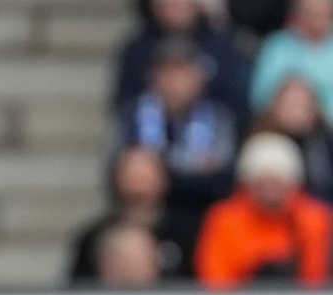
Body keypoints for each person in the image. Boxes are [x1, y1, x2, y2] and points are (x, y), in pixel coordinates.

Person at [117, 36, 238, 223]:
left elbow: (221, 175)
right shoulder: (132, 114)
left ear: (199, 78)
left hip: (200, 210)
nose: (176, 83)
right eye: (168, 73)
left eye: (183, 73)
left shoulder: (219, 118)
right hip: (144, 210)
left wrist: (165, 174)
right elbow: (120, 169)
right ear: (154, 77)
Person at [194, 129, 333, 285]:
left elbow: (318, 277)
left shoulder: (316, 219)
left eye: (279, 179)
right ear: (248, 182)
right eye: (262, 180)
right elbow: (214, 278)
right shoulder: (224, 219)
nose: (271, 188)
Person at [67, 145, 201, 282]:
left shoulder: (187, 232)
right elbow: (78, 287)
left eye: (145, 178)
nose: (138, 188)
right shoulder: (92, 237)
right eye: (131, 178)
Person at [114, 0, 252, 118]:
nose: (174, 4)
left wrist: (195, 90)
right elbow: (123, 103)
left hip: (212, 129)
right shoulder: (137, 50)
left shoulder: (224, 46)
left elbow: (238, 104)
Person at [251, 75, 333, 201]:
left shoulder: (325, 141)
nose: (297, 113)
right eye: (291, 105)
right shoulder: (261, 142)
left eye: (303, 106)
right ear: (276, 106)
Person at [250, 0, 333, 115]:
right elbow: (260, 98)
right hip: (287, 121)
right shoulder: (278, 46)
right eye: (312, 14)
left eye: (324, 14)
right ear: (298, 14)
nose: (318, 20)